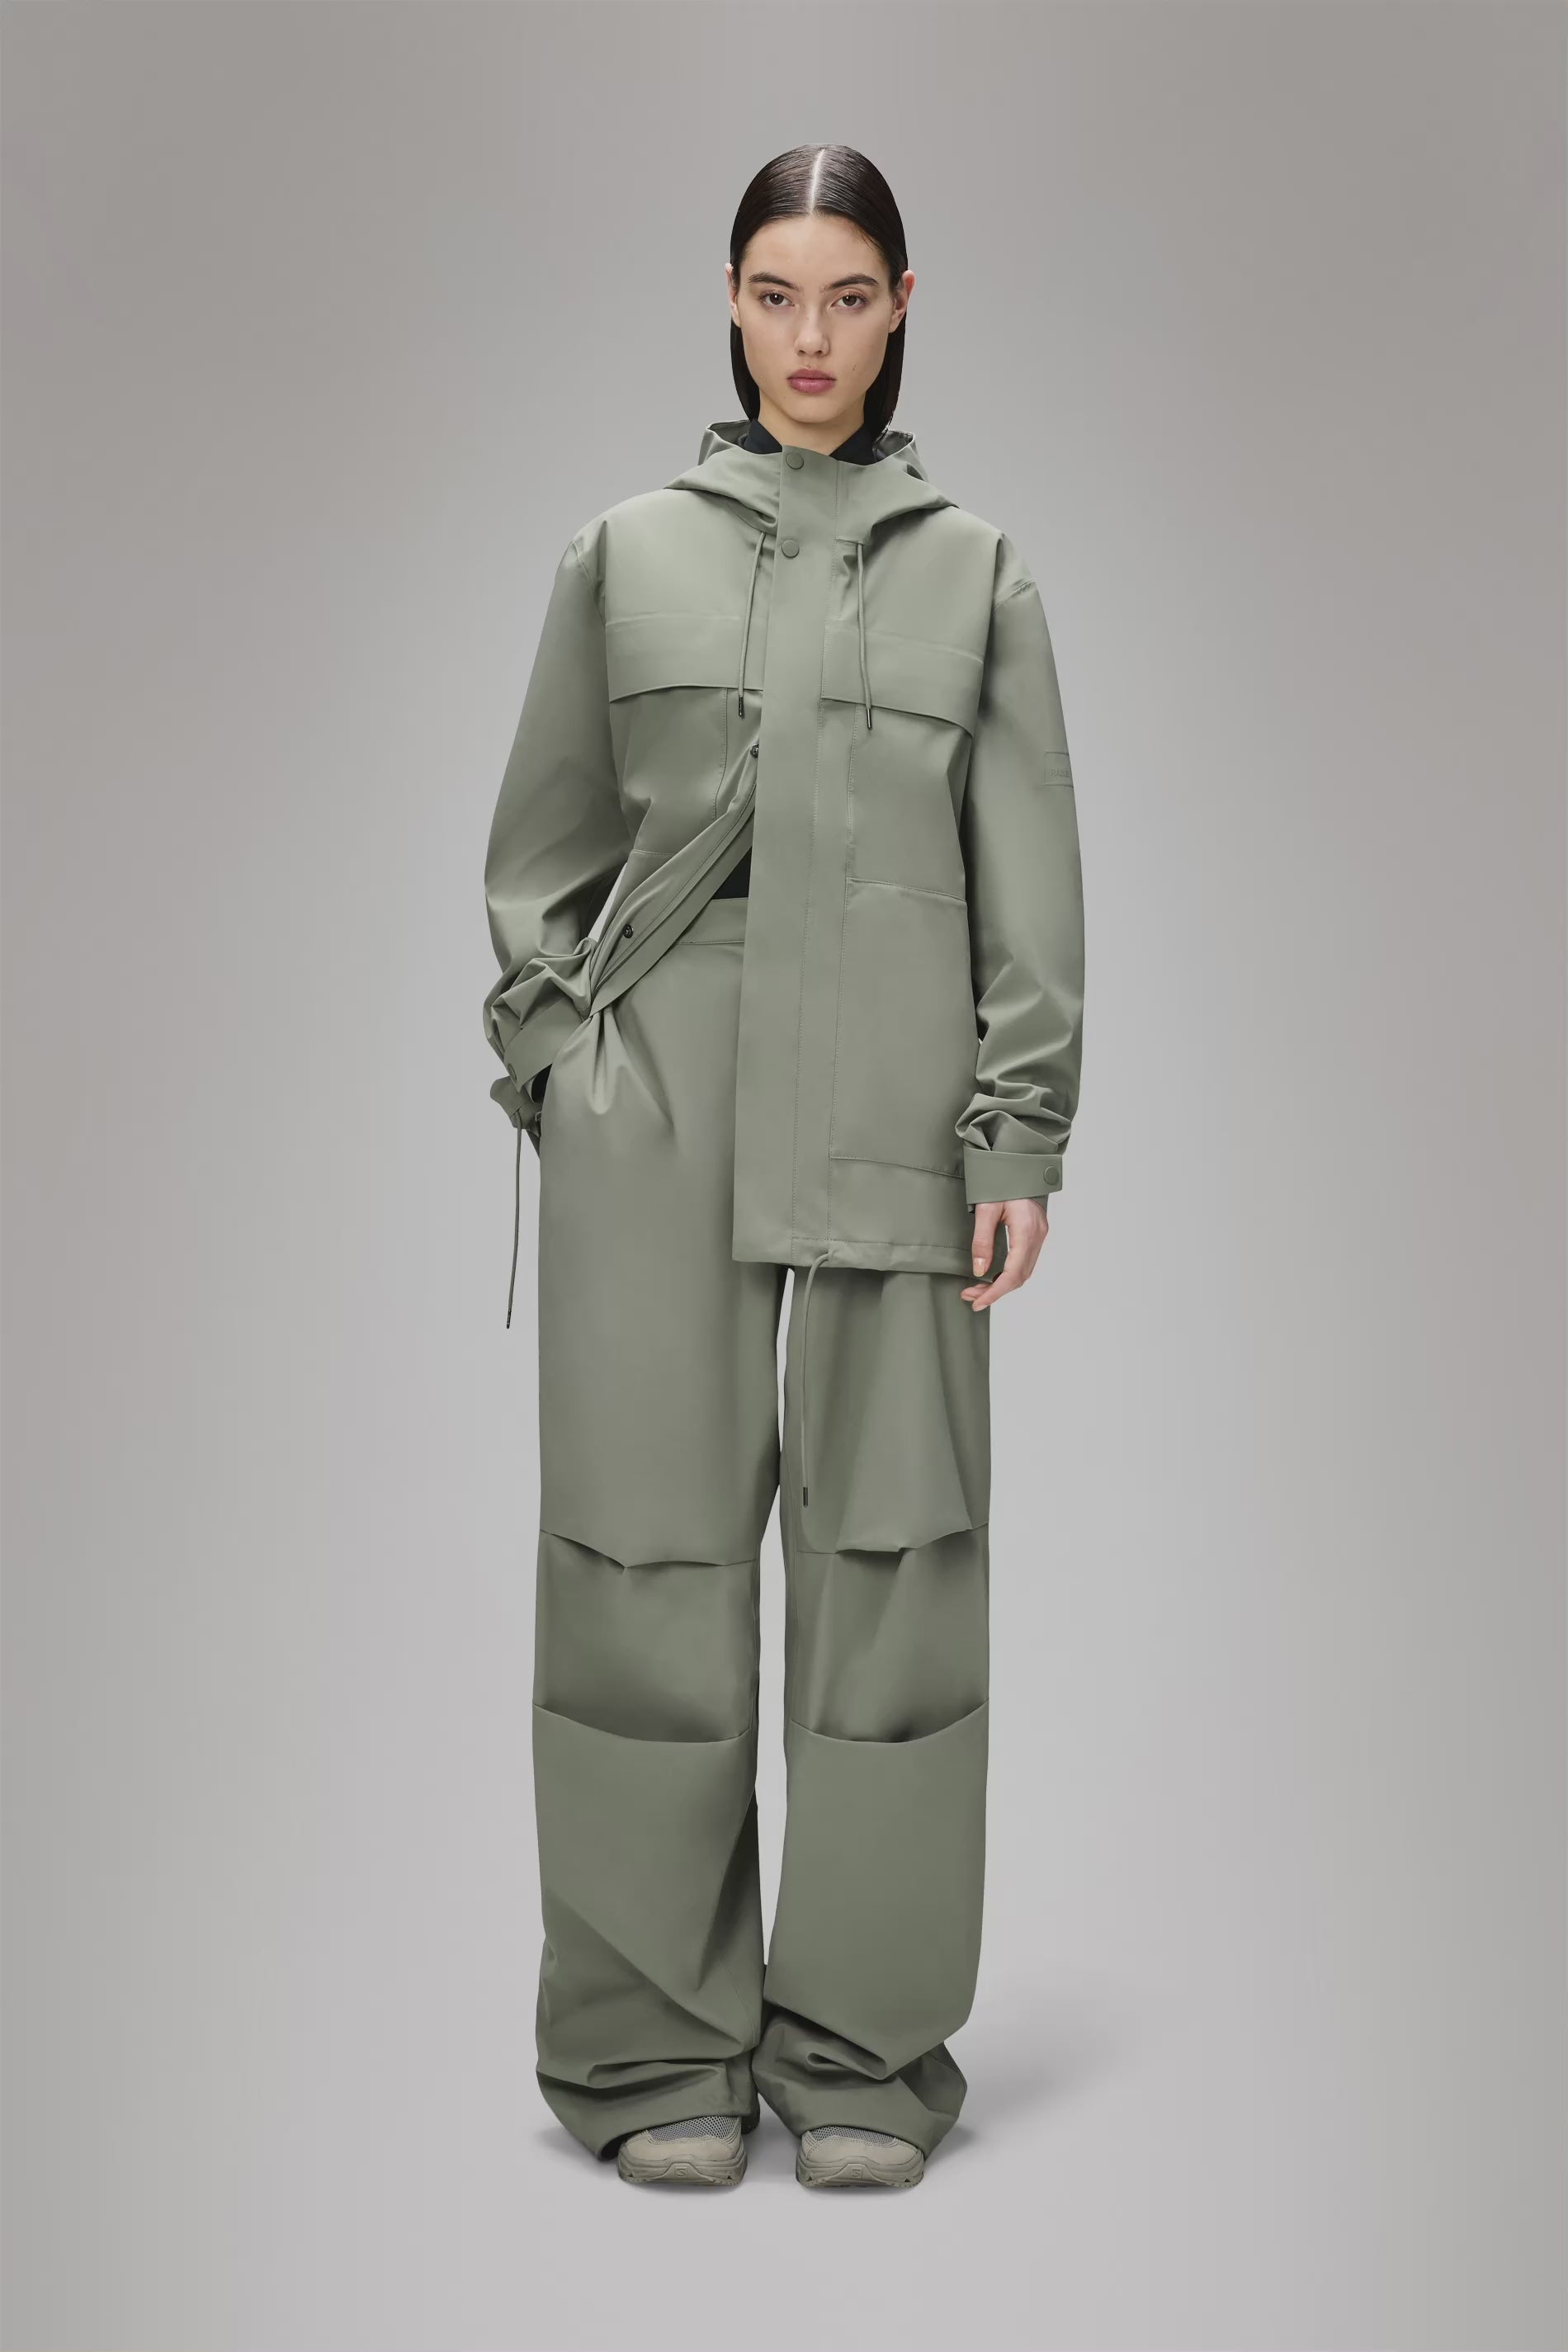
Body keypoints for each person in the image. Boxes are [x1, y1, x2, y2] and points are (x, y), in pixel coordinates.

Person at [481, 144, 1086, 2192]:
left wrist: (1019, 1130)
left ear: (901, 305)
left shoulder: (976, 576)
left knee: (893, 1579)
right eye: (769, 293)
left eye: (843, 296)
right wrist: (561, 1069)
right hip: (658, 1125)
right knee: (637, 1571)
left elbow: (1029, 887)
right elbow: (538, 858)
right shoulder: (622, 556)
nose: (805, 338)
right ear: (727, 304)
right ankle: (650, 2048)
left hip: (900, 1129)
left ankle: (857, 2049)